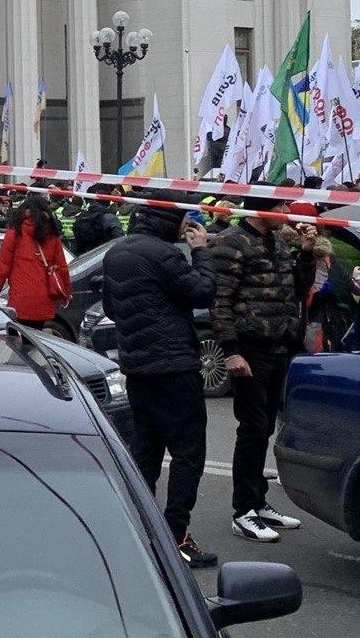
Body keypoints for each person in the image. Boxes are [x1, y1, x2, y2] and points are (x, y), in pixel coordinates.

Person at [102, 192, 219, 567]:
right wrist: (200, 251)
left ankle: (138, 528)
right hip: (173, 367)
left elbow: (110, 306)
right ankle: (176, 536)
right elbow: (202, 291)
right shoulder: (163, 254)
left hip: (137, 367)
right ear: (168, 221)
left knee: (146, 453)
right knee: (188, 454)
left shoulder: (117, 252)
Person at [211, 192, 316, 542]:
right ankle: (243, 510)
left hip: (280, 347)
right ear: (260, 210)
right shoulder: (231, 242)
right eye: (280, 207)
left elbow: (297, 291)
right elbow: (220, 299)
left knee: (266, 426)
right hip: (250, 350)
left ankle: (258, 501)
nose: (287, 213)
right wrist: (230, 350)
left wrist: (305, 252)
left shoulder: (278, 242)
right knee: (252, 428)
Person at [0, 195, 71, 326]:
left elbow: (3, 269)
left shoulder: (14, 232)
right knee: (36, 339)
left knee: (19, 342)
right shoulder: (52, 234)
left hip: (20, 299)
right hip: (44, 298)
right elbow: (62, 268)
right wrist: (66, 294)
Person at [73, 184, 124, 253]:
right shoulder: (110, 218)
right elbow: (120, 241)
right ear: (108, 201)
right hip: (103, 256)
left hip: (84, 258)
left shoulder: (82, 217)